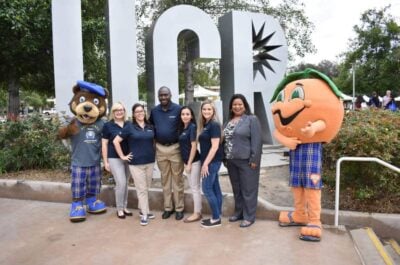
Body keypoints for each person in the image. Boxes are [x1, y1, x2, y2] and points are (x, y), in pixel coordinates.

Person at [223, 94, 262, 228]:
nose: (237, 107)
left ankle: (249, 216)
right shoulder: (228, 121)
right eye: (234, 105)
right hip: (231, 161)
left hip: (247, 161)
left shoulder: (252, 119)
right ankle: (238, 212)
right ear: (231, 107)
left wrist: (254, 159)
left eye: (240, 104)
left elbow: (257, 141)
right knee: (237, 189)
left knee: (248, 189)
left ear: (244, 105)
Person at [114, 103, 156, 226]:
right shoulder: (129, 127)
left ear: (144, 112)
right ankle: (144, 214)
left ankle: (143, 209)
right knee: (141, 189)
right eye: (137, 112)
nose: (140, 113)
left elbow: (153, 142)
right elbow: (116, 141)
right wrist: (123, 156)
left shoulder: (150, 126)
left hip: (150, 161)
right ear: (133, 114)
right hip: (136, 163)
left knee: (146, 187)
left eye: (141, 111)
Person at [149, 87, 184, 220]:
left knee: (177, 180)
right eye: (161, 95)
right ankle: (168, 208)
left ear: (170, 95)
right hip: (160, 149)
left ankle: (179, 208)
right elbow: (150, 126)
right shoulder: (154, 111)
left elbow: (184, 126)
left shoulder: (178, 109)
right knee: (165, 180)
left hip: (175, 148)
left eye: (165, 95)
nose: (163, 97)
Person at [101, 102, 132, 219]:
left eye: (121, 109)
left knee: (126, 184)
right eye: (116, 110)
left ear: (124, 111)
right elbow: (104, 144)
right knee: (121, 183)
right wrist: (105, 162)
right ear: (113, 112)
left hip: (128, 157)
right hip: (114, 158)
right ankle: (119, 209)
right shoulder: (108, 125)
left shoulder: (129, 124)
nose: (119, 112)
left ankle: (124, 207)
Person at [198, 100, 224, 228]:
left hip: (211, 162)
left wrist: (205, 164)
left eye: (209, 109)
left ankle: (215, 218)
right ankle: (218, 215)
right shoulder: (207, 124)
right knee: (215, 188)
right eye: (204, 109)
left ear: (213, 111)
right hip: (211, 162)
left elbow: (214, 147)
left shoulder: (213, 125)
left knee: (207, 189)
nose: (206, 111)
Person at [178, 106, 202, 223]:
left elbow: (194, 146)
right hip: (187, 162)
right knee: (194, 187)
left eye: (187, 114)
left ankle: (197, 213)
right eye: (183, 114)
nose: (185, 116)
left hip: (194, 162)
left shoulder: (192, 127)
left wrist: (189, 163)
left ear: (191, 116)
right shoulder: (183, 128)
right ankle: (197, 211)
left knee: (195, 188)